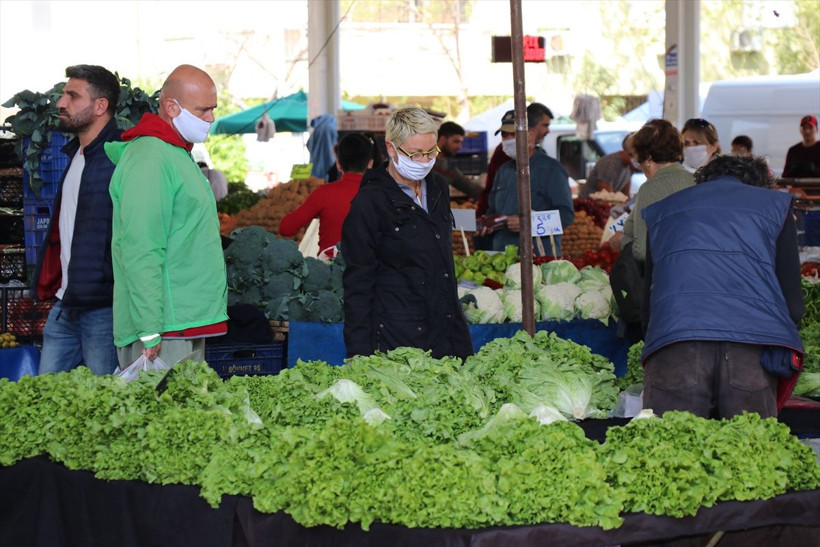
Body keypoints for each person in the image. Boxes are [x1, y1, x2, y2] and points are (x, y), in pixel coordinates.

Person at [640, 155, 803, 419]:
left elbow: (648, 304)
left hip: (676, 342)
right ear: (759, 185)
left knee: (671, 451)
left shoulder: (663, 210)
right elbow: (793, 305)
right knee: (752, 453)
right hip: (750, 350)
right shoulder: (775, 206)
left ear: (702, 181)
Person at [105, 64, 228, 368]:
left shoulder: (175, 153)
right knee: (165, 413)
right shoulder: (150, 158)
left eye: (213, 109)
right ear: (171, 107)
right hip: (164, 329)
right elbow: (140, 246)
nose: (211, 118)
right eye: (203, 110)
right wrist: (148, 329)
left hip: (183, 320)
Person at [341, 106, 473, 360]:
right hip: (398, 337)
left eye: (430, 152)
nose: (425, 161)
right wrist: (359, 354)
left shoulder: (437, 188)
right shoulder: (370, 202)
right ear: (391, 149)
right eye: (415, 154)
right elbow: (358, 281)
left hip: (444, 327)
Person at [31, 65, 122, 376]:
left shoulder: (119, 157)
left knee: (105, 402)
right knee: (44, 397)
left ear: (100, 106)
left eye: (72, 95)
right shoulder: (76, 155)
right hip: (65, 305)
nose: (61, 103)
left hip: (103, 309)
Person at [483, 108, 574, 255]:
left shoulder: (552, 170)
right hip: (502, 256)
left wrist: (528, 224)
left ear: (531, 135)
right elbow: (492, 210)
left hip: (539, 257)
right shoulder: (503, 170)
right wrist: (488, 223)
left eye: (513, 134)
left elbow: (566, 216)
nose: (507, 140)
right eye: (504, 135)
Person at [613, 119, 694, 265]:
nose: (635, 160)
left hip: (665, 277)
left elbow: (642, 251)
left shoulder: (649, 189)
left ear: (648, 158)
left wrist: (621, 240)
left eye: (636, 155)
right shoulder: (696, 180)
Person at [279, 132, 374, 257]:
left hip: (330, 271)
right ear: (370, 164)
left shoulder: (323, 193)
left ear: (338, 164)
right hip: (371, 271)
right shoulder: (382, 195)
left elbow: (285, 228)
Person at [431, 121, 482, 199]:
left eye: (460, 142)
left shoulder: (448, 169)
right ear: (442, 139)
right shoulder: (422, 161)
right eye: (456, 142)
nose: (459, 147)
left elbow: (469, 186)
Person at [578, 132, 638, 197]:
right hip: (589, 204)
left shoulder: (629, 166)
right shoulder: (610, 163)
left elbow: (625, 195)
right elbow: (606, 197)